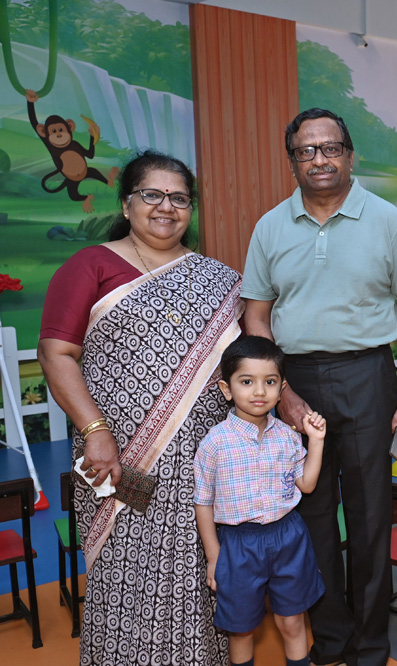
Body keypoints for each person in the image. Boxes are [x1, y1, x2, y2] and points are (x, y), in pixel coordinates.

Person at [37, 150, 243, 666]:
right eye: (152, 194)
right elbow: (56, 353)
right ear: (127, 204)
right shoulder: (90, 265)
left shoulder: (218, 278)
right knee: (122, 571)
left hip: (203, 464)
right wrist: (95, 431)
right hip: (114, 459)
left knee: (199, 573)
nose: (166, 207)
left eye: (180, 198)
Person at [241, 108, 397, 666]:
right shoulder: (270, 227)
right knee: (310, 516)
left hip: (368, 376)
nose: (319, 159)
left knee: (371, 519)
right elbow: (256, 316)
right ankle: (330, 639)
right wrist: (282, 392)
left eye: (330, 148)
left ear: (349, 155)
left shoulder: (386, 219)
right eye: (306, 151)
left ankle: (370, 647)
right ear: (292, 161)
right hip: (296, 379)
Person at [194, 336, 327, 666]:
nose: (259, 391)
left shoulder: (287, 436)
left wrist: (316, 441)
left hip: (289, 537)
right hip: (239, 545)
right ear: (226, 389)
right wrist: (213, 556)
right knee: (241, 631)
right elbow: (203, 502)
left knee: (292, 622)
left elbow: (307, 485)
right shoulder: (214, 444)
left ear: (281, 389)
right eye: (246, 381)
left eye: (269, 382)